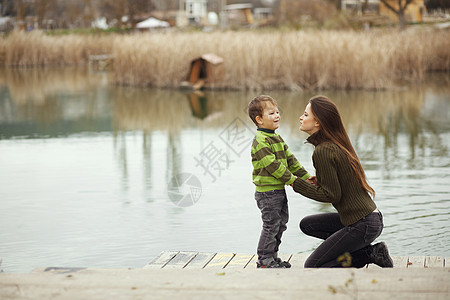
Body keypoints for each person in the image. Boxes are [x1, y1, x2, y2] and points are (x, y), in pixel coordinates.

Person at [291, 95, 393, 268]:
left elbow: (332, 195)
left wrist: (296, 183)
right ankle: (370, 251)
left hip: (363, 224)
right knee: (308, 225)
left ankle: (369, 255)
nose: (301, 117)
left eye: (305, 114)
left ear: (318, 123)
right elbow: (342, 181)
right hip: (370, 219)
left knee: (313, 266)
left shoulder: (323, 150)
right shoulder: (334, 144)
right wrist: (321, 180)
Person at [248, 95, 312, 268]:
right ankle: (264, 259)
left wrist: (306, 177)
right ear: (259, 120)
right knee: (271, 224)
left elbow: (290, 160)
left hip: (278, 190)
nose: (277, 115)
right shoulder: (260, 141)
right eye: (271, 113)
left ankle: (272, 257)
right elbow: (273, 166)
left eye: (277, 112)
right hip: (267, 193)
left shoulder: (277, 138)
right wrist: (293, 180)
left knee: (280, 223)